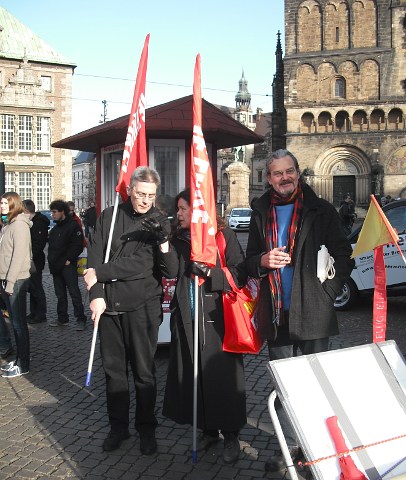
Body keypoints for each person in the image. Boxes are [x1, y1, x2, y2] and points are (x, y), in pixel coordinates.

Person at [244, 149, 354, 472]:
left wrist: (328, 293)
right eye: (277, 173)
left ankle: (313, 449)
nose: (285, 178)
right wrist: (262, 262)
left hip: (315, 315)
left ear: (297, 172)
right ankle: (289, 447)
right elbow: (249, 259)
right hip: (277, 313)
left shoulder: (320, 209)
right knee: (285, 388)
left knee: (314, 385)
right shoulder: (260, 212)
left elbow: (344, 255)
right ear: (269, 178)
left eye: (289, 171)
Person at [84, 166, 175, 455]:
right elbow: (93, 258)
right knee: (114, 373)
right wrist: (96, 295)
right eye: (140, 194)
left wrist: (100, 273)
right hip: (109, 307)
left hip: (142, 307)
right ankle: (118, 427)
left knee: (144, 372)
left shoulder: (159, 222)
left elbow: (142, 266)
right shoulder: (108, 218)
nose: (145, 200)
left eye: (151, 195)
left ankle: (146, 429)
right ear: (130, 190)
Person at [162, 189, 247, 464]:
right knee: (195, 374)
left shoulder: (224, 236)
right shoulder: (177, 238)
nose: (180, 213)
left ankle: (231, 434)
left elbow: (240, 272)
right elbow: (169, 270)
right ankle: (208, 429)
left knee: (222, 378)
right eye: (178, 208)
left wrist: (212, 273)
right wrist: (164, 244)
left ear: (199, 210)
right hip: (187, 316)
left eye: (184, 208)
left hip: (217, 317)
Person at [0, 192, 32, 378]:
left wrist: (10, 283)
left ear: (14, 204)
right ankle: (19, 358)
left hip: (17, 280)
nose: (2, 205)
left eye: (5, 203)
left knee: (19, 324)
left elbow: (18, 257)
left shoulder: (19, 226)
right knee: (14, 322)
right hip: (5, 279)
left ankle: (23, 364)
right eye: (1, 202)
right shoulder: (8, 224)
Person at [48, 200, 87, 331]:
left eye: (54, 212)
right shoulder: (55, 228)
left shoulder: (73, 226)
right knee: (60, 294)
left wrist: (69, 259)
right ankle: (62, 317)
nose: (52, 215)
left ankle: (80, 318)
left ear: (62, 212)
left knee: (74, 292)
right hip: (56, 266)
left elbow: (78, 244)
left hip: (67, 265)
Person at [23, 200, 49, 324]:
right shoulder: (32, 223)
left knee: (36, 287)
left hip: (35, 260)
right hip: (31, 259)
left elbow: (38, 244)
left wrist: (30, 256)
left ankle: (40, 313)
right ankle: (34, 312)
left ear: (26, 211)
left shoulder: (38, 224)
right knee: (32, 287)